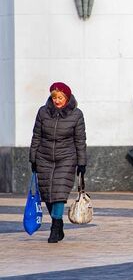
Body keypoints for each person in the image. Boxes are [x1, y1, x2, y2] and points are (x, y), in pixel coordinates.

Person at [29, 82, 87, 243]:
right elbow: (36, 136)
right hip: (44, 156)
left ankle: (55, 226)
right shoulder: (43, 112)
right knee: (48, 193)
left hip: (66, 158)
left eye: (60, 97)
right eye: (54, 97)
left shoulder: (76, 114)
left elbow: (80, 140)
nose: (57, 100)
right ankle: (58, 221)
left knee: (59, 193)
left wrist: (82, 162)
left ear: (67, 97)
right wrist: (33, 157)